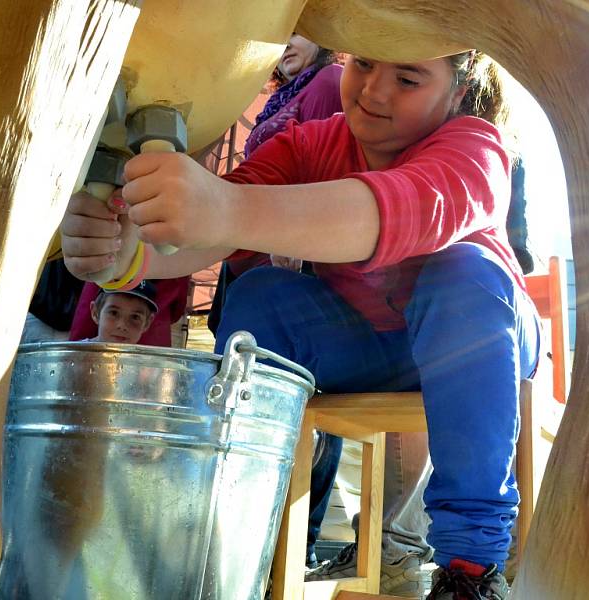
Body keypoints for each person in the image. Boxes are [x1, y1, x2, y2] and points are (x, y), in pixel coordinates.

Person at [61, 49, 540, 600]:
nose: (373, 92)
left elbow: (398, 210)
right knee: (261, 296)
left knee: (464, 271)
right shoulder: (309, 143)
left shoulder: (475, 144)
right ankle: (237, 541)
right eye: (363, 64)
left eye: (408, 78)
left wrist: (227, 207)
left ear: (457, 93)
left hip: (482, 347)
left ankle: (469, 569)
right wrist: (123, 254)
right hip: (370, 346)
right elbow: (205, 231)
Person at [206, 33, 345, 573]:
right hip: (247, 263)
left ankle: (297, 542)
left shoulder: (331, 82)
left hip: (291, 261)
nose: (287, 43)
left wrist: (295, 241)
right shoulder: (278, 97)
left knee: (306, 402)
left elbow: (328, 168)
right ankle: (241, 540)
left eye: (301, 32)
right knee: (245, 392)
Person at [80, 280, 158, 344]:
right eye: (114, 313)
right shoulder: (75, 355)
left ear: (147, 323)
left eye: (135, 317)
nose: (122, 326)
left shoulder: (146, 361)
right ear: (95, 313)